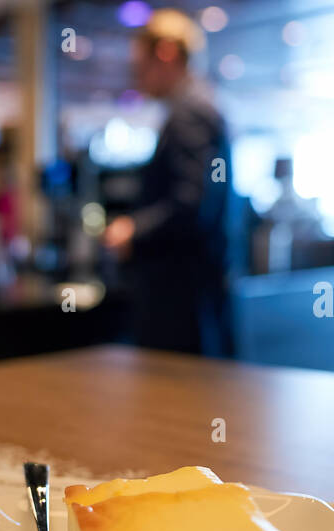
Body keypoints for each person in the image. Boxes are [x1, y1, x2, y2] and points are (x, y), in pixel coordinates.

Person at [102, 8, 234, 356]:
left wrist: (134, 229)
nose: (137, 79)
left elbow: (194, 205)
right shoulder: (199, 106)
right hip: (193, 296)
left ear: (166, 54)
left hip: (181, 301)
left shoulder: (190, 112)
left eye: (140, 67)